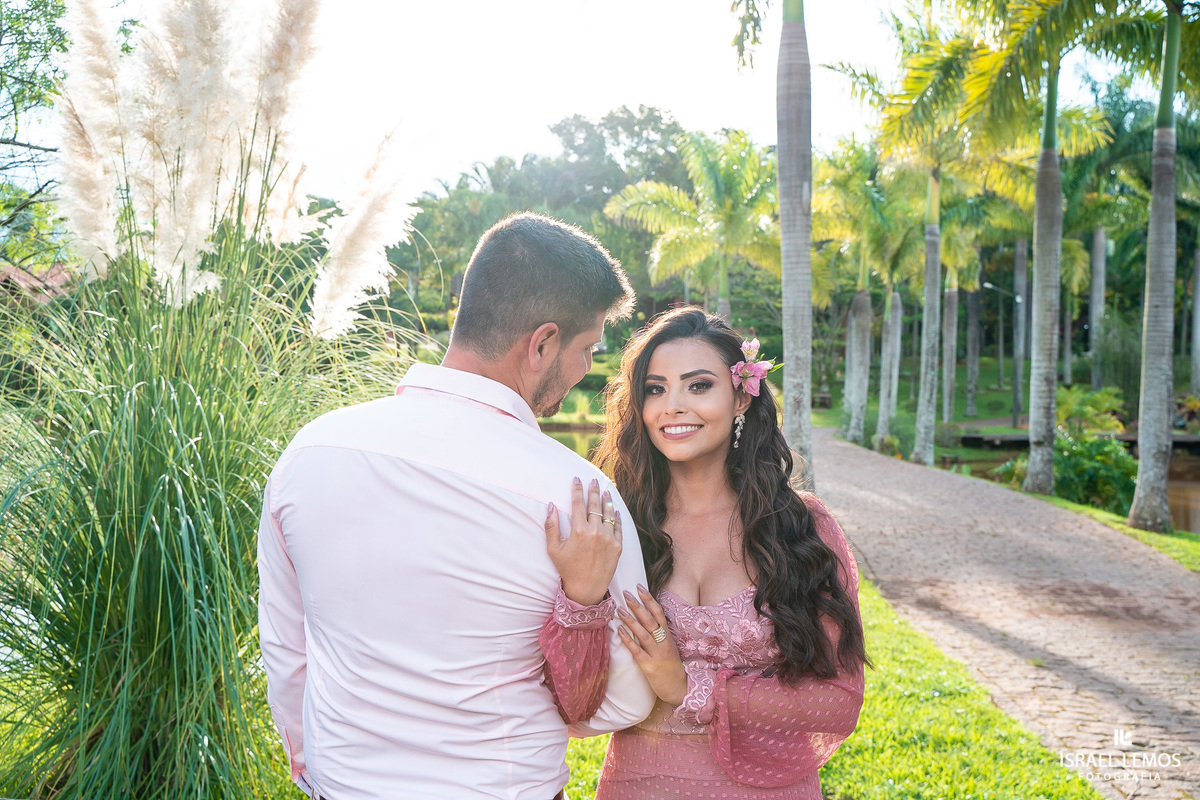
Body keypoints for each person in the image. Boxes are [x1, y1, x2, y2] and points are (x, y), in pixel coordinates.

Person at [257, 212, 656, 800]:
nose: (586, 370)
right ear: (542, 343)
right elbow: (623, 698)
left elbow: (287, 650)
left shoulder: (311, 450)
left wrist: (313, 762)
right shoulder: (578, 498)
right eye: (588, 349)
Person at [549, 307, 869, 799]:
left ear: (741, 395)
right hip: (639, 785)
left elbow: (837, 703)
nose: (672, 405)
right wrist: (584, 597)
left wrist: (686, 687)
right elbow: (573, 703)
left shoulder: (800, 526)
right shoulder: (616, 525)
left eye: (698, 386)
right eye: (655, 389)